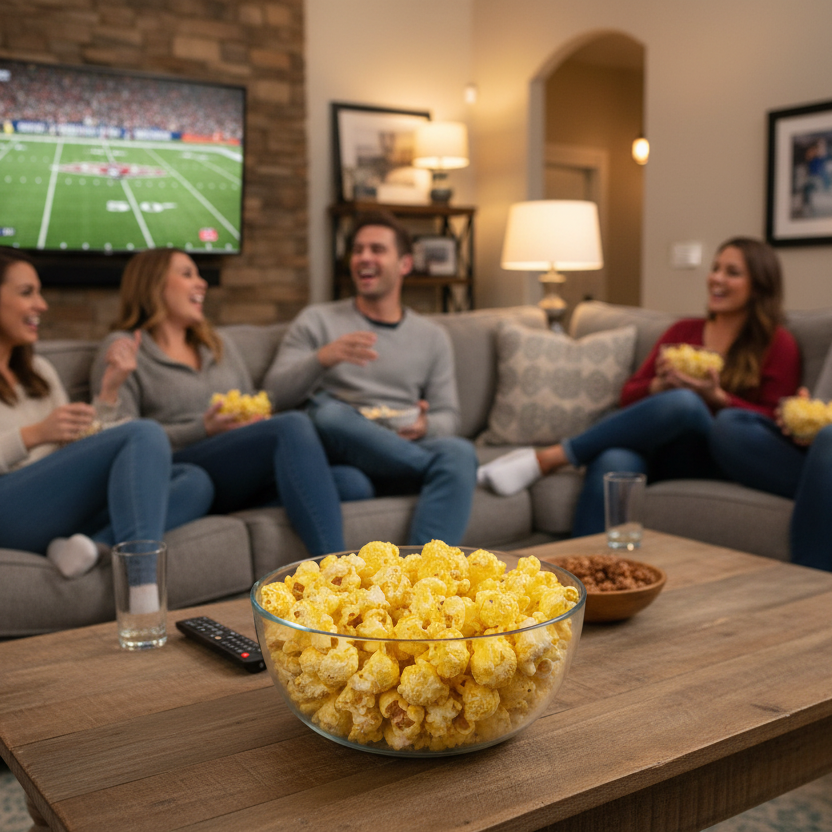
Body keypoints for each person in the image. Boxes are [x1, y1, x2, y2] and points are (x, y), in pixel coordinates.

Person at [479, 237, 801, 536]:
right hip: (664, 449)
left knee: (686, 402)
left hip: (715, 454)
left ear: (759, 286)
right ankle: (579, 580)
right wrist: (659, 385)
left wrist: (717, 398)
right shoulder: (683, 331)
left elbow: (775, 423)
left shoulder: (776, 343)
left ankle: (550, 458)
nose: (716, 278)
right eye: (715, 268)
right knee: (614, 461)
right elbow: (629, 394)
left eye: (732, 272)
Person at [91, 248, 373, 558]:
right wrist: (202, 429)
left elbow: (253, 402)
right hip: (183, 467)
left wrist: (254, 419)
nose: (201, 284)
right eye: (187, 274)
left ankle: (216, 507)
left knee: (352, 483)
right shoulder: (125, 349)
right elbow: (125, 443)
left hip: (237, 471)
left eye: (199, 275)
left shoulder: (219, 344)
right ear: (153, 284)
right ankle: (338, 573)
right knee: (291, 425)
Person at [264, 211, 478, 546]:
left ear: (405, 264)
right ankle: (431, 467)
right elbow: (272, 396)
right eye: (358, 249)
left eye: (377, 249)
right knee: (328, 413)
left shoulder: (432, 336)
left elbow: (448, 417)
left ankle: (422, 581)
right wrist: (322, 358)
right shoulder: (318, 320)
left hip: (399, 447)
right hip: (343, 445)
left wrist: (425, 426)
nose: (364, 257)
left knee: (461, 452)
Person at [0, 250, 214, 585]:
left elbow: (81, 449)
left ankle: (90, 545)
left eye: (39, 293)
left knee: (194, 481)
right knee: (144, 433)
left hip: (57, 506)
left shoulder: (39, 372)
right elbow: (49, 441)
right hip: (10, 506)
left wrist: (109, 392)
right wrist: (32, 435)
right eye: (27, 293)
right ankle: (142, 594)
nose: (41, 305)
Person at [709, 368, 832, 571]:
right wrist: (802, 417)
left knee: (829, 438)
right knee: (730, 424)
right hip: (818, 455)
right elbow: (822, 406)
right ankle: (820, 485)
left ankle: (811, 575)